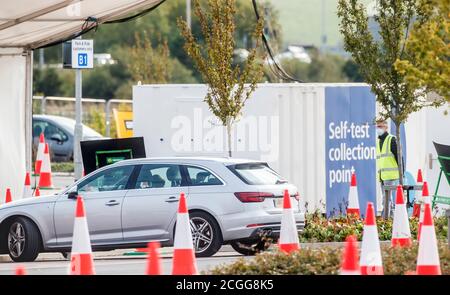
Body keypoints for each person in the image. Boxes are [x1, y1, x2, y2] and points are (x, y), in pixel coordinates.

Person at [375, 119, 403, 216]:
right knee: (386, 199)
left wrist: (401, 173)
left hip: (391, 175)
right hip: (382, 175)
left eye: (380, 126)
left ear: (386, 127)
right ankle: (389, 218)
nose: (378, 129)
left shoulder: (392, 139)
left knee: (386, 199)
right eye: (377, 127)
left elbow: (399, 157)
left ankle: (386, 218)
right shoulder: (378, 142)